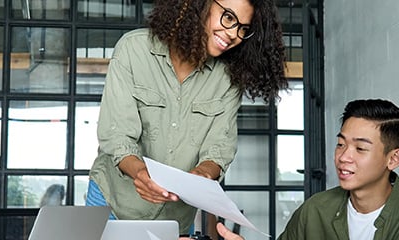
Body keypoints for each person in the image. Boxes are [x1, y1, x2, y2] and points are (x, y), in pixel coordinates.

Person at [86, 0, 288, 235]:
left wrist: (202, 174)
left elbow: (219, 150)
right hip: (112, 201)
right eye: (229, 18)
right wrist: (140, 173)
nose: (233, 34)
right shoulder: (133, 49)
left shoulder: (229, 79)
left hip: (176, 217)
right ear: (198, 5)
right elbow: (117, 133)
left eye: (243, 29)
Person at [217, 99, 399, 240]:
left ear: (393, 159)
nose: (343, 156)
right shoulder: (315, 210)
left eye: (360, 148)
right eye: (341, 144)